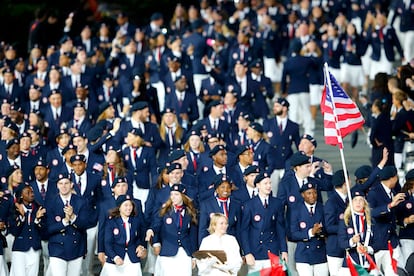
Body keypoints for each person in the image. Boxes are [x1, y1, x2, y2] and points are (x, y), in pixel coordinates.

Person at [240, 172, 287, 274]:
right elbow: (244, 230)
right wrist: (247, 253)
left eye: (270, 183)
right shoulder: (249, 205)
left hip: (272, 250)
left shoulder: (277, 203)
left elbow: (280, 228)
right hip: (255, 251)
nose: (269, 186)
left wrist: (284, 250)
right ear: (258, 185)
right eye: (265, 183)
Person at [148, 183, 198, 276]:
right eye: (171, 194)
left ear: (183, 196)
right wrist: (151, 231)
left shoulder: (190, 213)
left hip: (185, 252)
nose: (173, 197)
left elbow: (193, 236)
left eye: (176, 194)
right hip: (168, 252)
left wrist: (193, 256)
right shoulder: (164, 211)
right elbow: (156, 226)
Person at [45, 173, 88, 276]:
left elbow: (85, 224)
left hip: (76, 247)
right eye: (61, 183)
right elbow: (48, 229)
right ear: (57, 185)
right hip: (57, 248)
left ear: (71, 184)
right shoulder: (51, 203)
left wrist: (73, 217)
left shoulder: (80, 202)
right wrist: (64, 222)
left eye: (66, 183)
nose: (63, 186)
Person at [367, 166, 403, 275]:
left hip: (391, 241)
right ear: (393, 178)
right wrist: (390, 205)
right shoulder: (374, 192)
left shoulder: (394, 191)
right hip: (377, 242)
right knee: (373, 273)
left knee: (393, 272)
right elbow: (371, 213)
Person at [100, 195, 147, 276]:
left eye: (130, 205)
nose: (129, 208)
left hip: (132, 258)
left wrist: (140, 246)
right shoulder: (111, 222)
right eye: (126, 205)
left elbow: (138, 238)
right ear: (119, 207)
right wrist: (115, 257)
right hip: (116, 259)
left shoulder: (136, 221)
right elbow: (108, 243)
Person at [290, 182, 328, 276]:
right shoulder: (296, 210)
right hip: (303, 255)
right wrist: (311, 232)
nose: (312, 196)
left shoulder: (322, 208)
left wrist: (321, 231)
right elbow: (293, 234)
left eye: (314, 193)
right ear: (303, 195)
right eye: (309, 193)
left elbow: (328, 227)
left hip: (320, 253)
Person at [9, 184, 46, 276]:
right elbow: (14, 231)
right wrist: (21, 217)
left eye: (32, 192)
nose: (31, 194)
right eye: (28, 192)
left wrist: (37, 220)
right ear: (21, 195)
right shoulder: (14, 209)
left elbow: (44, 231)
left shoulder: (39, 209)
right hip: (20, 248)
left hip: (34, 248)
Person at [337, 191, 374, 275]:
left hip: (367, 264)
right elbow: (341, 244)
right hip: (350, 264)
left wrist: (367, 249)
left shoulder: (371, 221)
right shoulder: (345, 221)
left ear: (364, 203)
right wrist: (352, 241)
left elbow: (377, 243)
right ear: (351, 203)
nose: (358, 203)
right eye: (355, 200)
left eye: (361, 200)